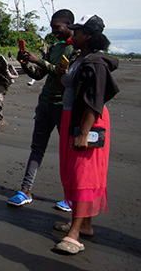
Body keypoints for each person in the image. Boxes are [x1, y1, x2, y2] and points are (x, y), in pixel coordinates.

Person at [53, 14, 119, 254]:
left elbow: (95, 100)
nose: (74, 35)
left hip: (87, 122)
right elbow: (68, 89)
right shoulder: (80, 58)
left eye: (78, 32)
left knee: (84, 174)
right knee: (75, 170)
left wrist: (84, 132)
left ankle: (75, 234)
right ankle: (84, 225)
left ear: (88, 36)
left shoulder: (96, 63)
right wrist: (61, 74)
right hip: (72, 116)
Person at [7, 9, 77, 210]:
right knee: (37, 147)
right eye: (53, 27)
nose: (54, 31)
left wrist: (39, 60)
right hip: (45, 102)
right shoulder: (56, 47)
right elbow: (40, 74)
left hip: (64, 106)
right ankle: (25, 190)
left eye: (58, 27)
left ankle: (71, 196)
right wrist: (27, 64)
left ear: (69, 26)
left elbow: (63, 74)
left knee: (68, 151)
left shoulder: (77, 50)